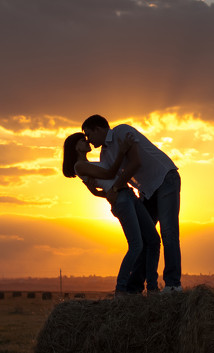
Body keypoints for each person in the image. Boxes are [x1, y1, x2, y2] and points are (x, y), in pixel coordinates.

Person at [80, 115, 181, 292]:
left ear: (98, 128)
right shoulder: (105, 154)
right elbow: (113, 177)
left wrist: (116, 188)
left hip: (165, 179)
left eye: (89, 134)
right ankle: (134, 288)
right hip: (147, 191)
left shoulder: (122, 131)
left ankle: (173, 285)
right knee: (145, 239)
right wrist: (100, 190)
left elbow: (135, 163)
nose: (88, 139)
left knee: (168, 232)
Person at [62, 132, 160, 296]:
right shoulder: (79, 166)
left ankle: (152, 287)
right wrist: (121, 151)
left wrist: (107, 193)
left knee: (153, 240)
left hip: (129, 195)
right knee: (136, 245)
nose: (87, 142)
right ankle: (121, 289)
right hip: (122, 200)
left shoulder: (92, 164)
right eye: (82, 140)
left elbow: (95, 191)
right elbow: (108, 175)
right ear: (75, 146)